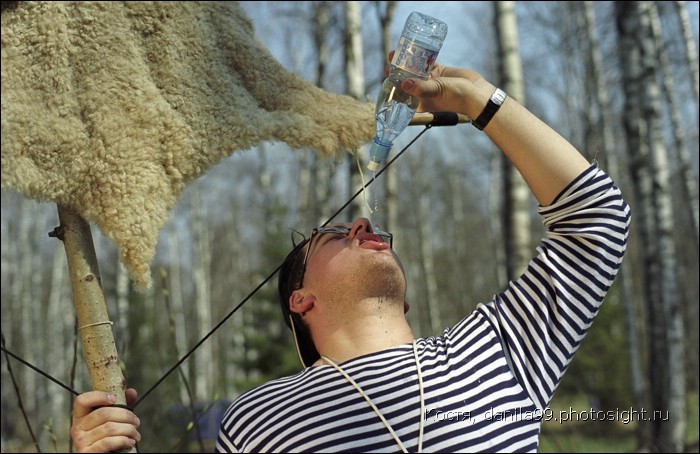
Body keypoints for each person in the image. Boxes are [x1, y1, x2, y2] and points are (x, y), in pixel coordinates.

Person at [69, 59, 631, 453]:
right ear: (301, 298)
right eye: (333, 235)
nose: (362, 224)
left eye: (356, 226)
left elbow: (597, 221)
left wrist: (480, 100)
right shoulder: (254, 420)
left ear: (406, 304)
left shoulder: (495, 352)